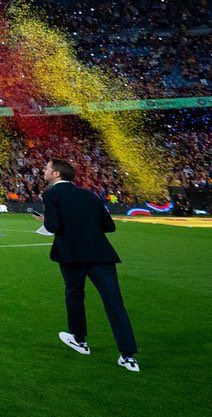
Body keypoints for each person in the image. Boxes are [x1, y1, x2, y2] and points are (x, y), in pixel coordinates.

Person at [41, 158, 140, 372]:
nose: (44, 170)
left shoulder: (51, 194)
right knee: (114, 303)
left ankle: (80, 340)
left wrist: (47, 220)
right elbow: (109, 226)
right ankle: (128, 356)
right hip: (100, 254)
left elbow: (53, 226)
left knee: (75, 294)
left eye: (47, 168)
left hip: (71, 255)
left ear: (56, 174)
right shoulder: (89, 195)